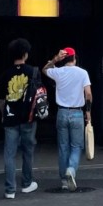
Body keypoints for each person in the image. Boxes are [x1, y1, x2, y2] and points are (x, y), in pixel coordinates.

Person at [42, 47, 92, 191]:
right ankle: (71, 169)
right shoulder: (83, 73)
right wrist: (88, 112)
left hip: (62, 113)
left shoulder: (58, 72)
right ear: (75, 58)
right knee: (77, 146)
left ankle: (64, 181)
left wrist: (55, 60)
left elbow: (44, 70)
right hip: (77, 113)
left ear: (64, 59)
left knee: (63, 147)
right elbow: (88, 94)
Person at [0, 38, 40, 200]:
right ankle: (27, 184)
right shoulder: (33, 72)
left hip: (10, 118)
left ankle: (10, 189)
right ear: (25, 54)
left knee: (9, 153)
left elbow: (0, 98)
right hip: (28, 117)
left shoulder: (6, 74)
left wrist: (3, 114)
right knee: (28, 151)